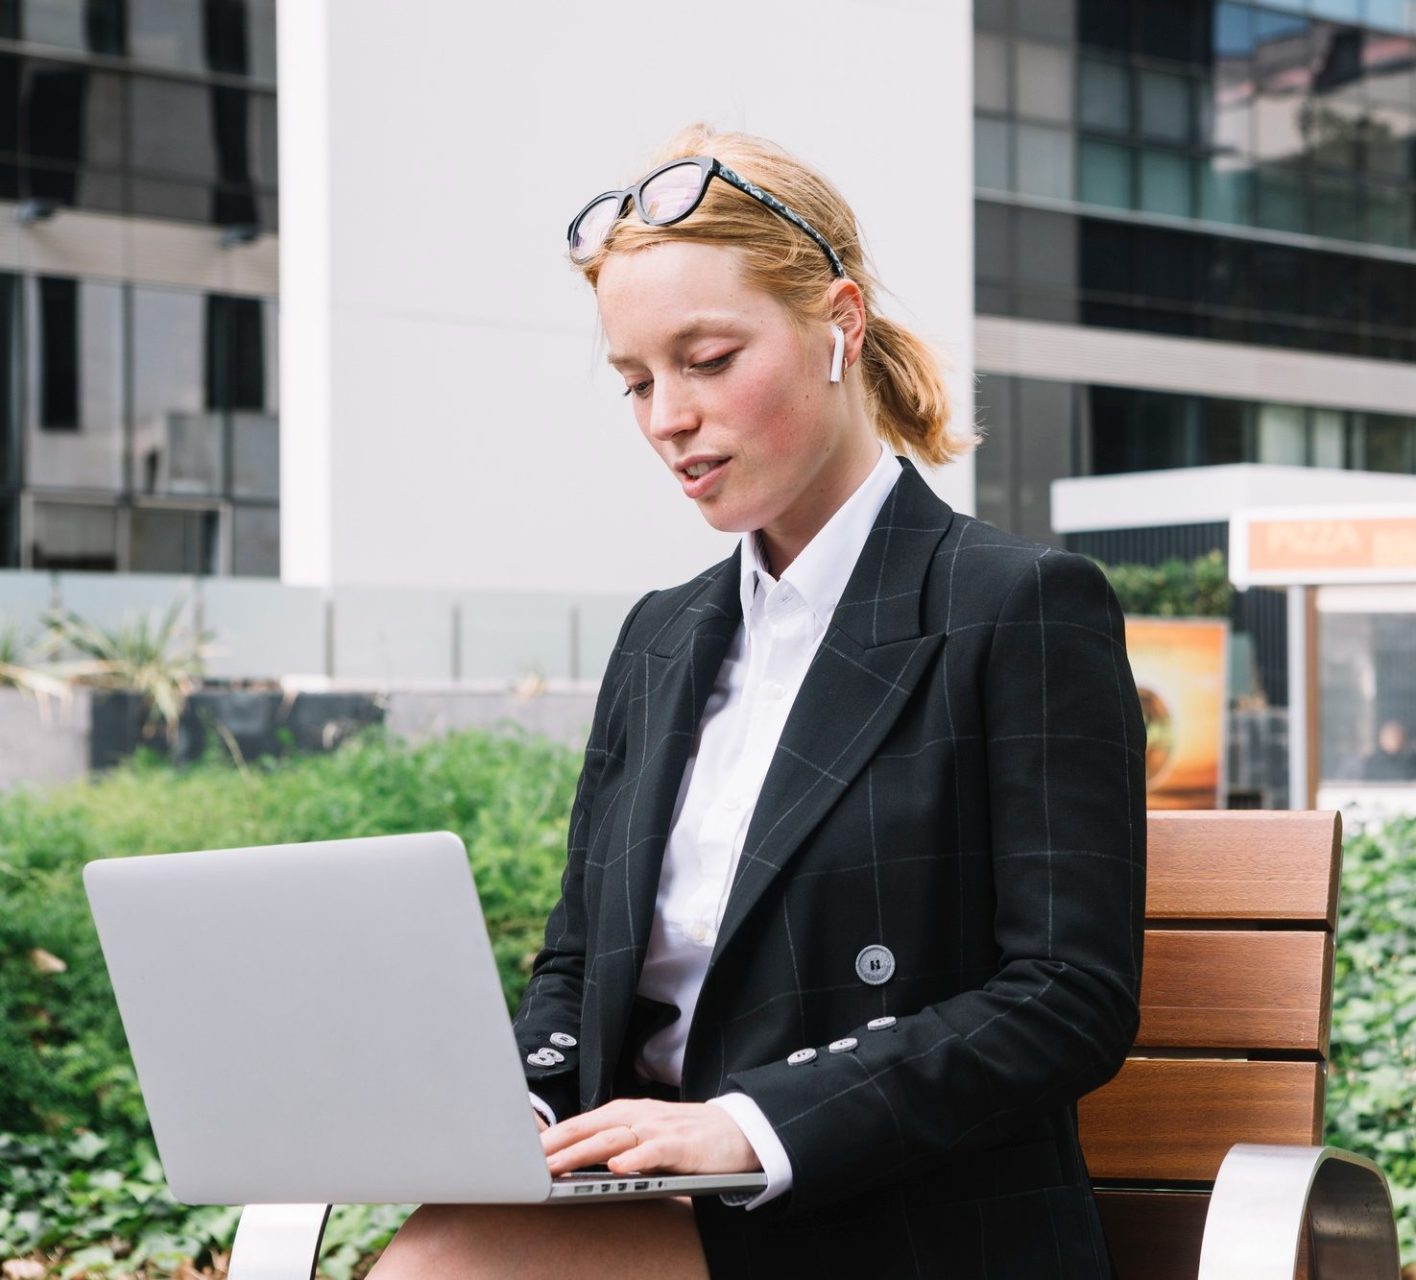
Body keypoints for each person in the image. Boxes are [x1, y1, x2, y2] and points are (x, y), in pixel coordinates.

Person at [369, 125, 1148, 1279]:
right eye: (637, 380)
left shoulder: (1018, 605)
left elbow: (1067, 994)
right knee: (448, 1250)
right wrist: (526, 1110)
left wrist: (751, 1126)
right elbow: (580, 964)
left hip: (896, 1215)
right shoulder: (663, 634)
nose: (666, 418)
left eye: (707, 358)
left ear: (839, 325)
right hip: (658, 1203)